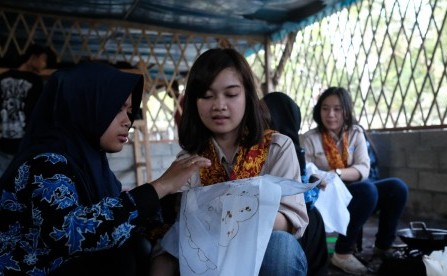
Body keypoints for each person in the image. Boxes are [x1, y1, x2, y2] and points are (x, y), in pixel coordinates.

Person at [0, 62, 211, 275]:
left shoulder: (89, 166)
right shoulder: (45, 164)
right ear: (84, 105)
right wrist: (159, 187)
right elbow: (70, 234)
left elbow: (118, 224)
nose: (127, 121)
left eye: (129, 111)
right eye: (116, 108)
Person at [151, 48, 309, 275]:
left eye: (231, 94)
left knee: (280, 247)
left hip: (262, 256)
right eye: (207, 95)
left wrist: (234, 216)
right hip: (209, 260)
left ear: (247, 96)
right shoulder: (189, 162)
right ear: (194, 102)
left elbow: (291, 221)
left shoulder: (277, 147)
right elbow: (179, 237)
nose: (219, 105)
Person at [300, 86, 409, 275]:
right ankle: (342, 253)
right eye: (325, 108)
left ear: (346, 111)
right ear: (319, 111)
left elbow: (363, 169)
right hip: (326, 194)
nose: (331, 114)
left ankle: (383, 247)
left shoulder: (355, 133)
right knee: (368, 191)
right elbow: (307, 170)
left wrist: (336, 173)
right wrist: (325, 178)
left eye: (337, 109)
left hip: (354, 188)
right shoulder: (310, 138)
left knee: (397, 187)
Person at [262, 91, 329, 276]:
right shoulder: (285, 144)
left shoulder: (283, 145)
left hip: (274, 217)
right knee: (311, 219)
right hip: (278, 219)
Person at [0, 43, 49, 175]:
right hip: (23, 144)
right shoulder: (36, 81)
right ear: (33, 57)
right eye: (43, 59)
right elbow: (39, 114)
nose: (44, 64)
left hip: (3, 142)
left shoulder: (3, 77)